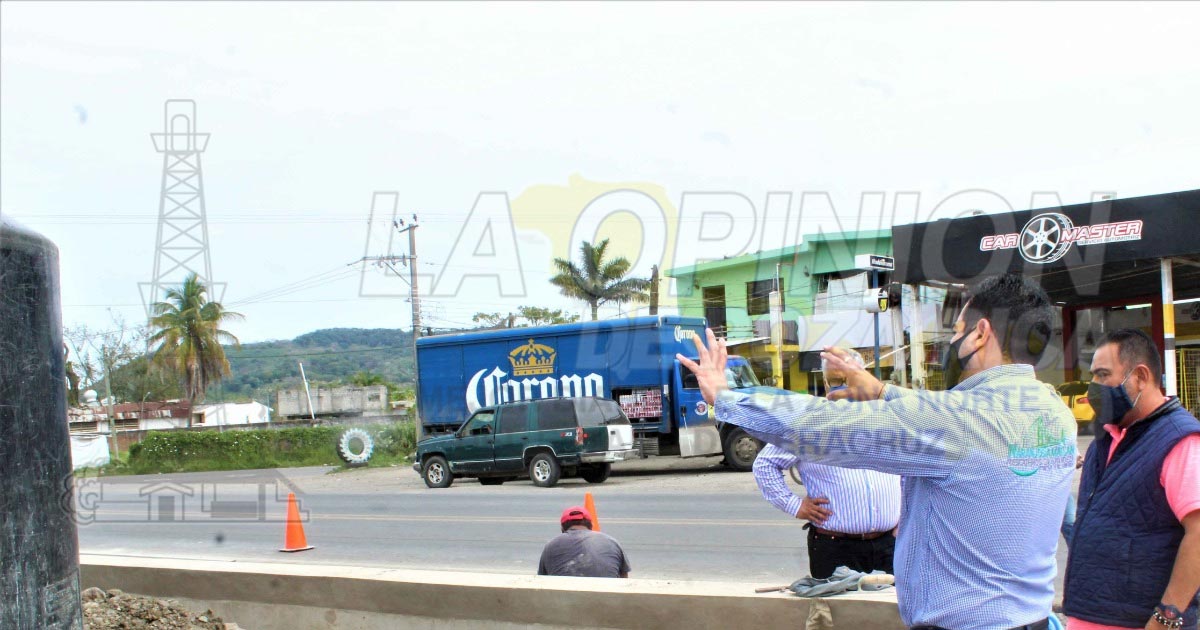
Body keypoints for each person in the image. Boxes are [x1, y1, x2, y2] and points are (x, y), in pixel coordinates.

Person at [679, 273, 1076, 630]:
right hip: (1032, 620)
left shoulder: (955, 421)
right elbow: (953, 422)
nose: (953, 341)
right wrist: (884, 390)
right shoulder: (1054, 412)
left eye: (956, 331)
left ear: (980, 334)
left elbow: (820, 426)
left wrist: (728, 397)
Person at [1061, 328, 1200, 630]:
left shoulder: (1178, 439)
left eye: (1102, 375)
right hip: (1091, 612)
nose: (1092, 388)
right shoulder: (1107, 437)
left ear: (1140, 376)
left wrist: (1165, 617)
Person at [754, 441, 901, 579]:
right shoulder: (809, 426)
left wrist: (904, 516)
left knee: (893, 605)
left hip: (890, 544)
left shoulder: (884, 425)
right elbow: (765, 463)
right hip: (836, 547)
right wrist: (794, 505)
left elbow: (910, 469)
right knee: (838, 606)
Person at [537, 505, 630, 578]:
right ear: (591, 525)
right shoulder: (612, 542)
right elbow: (624, 577)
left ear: (562, 528)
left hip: (565, 601)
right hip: (606, 600)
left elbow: (542, 580)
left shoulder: (550, 546)